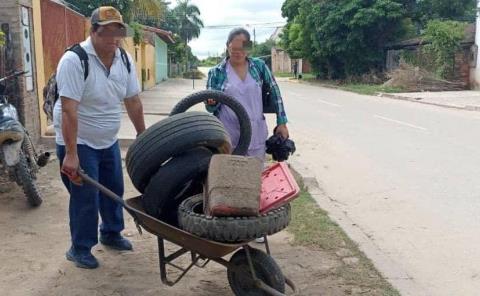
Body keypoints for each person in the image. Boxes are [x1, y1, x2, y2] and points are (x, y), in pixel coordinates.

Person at [54, 6, 145, 269]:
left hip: (108, 139)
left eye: (118, 33)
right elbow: (69, 109)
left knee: (114, 188)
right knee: (85, 198)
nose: (114, 39)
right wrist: (72, 154)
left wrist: (144, 136)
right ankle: (79, 248)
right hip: (78, 141)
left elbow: (133, 100)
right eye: (107, 33)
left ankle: (111, 233)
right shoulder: (74, 60)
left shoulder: (124, 59)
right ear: (93, 31)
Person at [206, 28, 289, 161]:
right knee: (229, 177)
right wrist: (211, 102)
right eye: (234, 49)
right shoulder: (216, 72)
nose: (238, 53)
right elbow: (210, 108)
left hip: (255, 132)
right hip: (228, 136)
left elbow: (275, 93)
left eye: (242, 49)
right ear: (227, 46)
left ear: (248, 48)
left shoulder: (259, 67)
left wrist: (282, 123)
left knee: (253, 176)